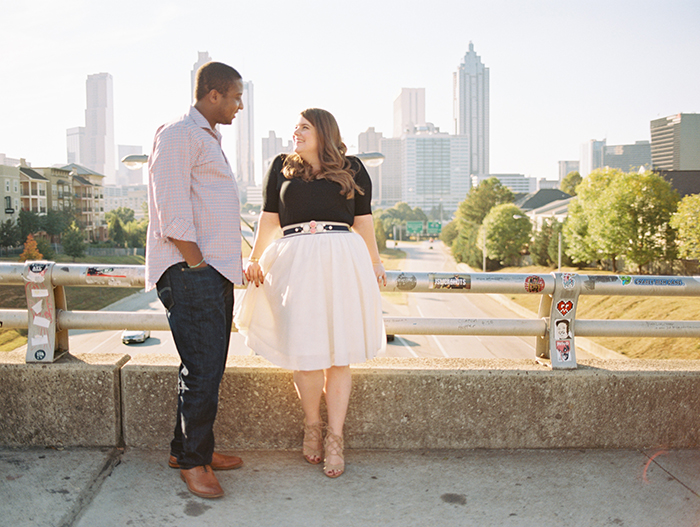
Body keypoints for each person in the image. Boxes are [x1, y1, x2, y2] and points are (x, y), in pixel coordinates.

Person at [234, 108, 386, 478]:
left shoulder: (353, 168)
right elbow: (269, 218)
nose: (295, 133)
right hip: (294, 263)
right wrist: (253, 258)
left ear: (322, 131)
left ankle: (336, 437)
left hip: (341, 261)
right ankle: (312, 424)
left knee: (339, 355)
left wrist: (376, 263)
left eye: (303, 127)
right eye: (295, 127)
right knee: (304, 353)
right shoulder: (281, 167)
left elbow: (363, 221)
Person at [145, 61, 245, 499]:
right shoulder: (178, 133)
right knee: (203, 369)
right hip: (192, 273)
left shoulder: (205, 137)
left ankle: (188, 446)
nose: (240, 105)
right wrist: (197, 263)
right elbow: (171, 207)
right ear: (214, 94)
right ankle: (193, 461)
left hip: (211, 271)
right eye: (236, 96)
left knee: (205, 368)